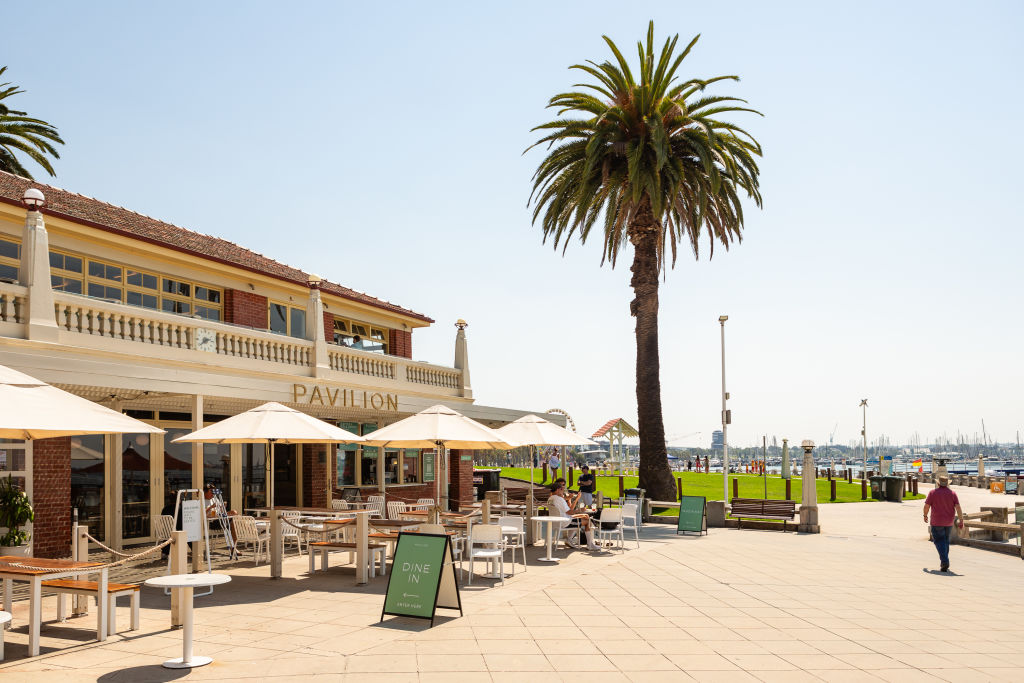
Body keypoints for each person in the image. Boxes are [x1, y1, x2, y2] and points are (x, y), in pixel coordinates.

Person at [923, 475, 964, 572]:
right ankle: (944, 562)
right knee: (945, 541)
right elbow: (958, 507)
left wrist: (925, 515)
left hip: (937, 521)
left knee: (939, 541)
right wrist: (961, 520)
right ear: (947, 484)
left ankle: (945, 561)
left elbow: (926, 506)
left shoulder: (933, 493)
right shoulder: (953, 493)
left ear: (938, 483)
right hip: (949, 522)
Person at [547, 482, 600, 550]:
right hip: (564, 522)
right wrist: (580, 510)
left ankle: (569, 539)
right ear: (558, 490)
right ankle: (590, 545)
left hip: (556, 521)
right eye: (562, 489)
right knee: (587, 522)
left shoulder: (550, 498)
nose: (563, 491)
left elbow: (567, 512)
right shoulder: (559, 499)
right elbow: (570, 512)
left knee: (584, 516)